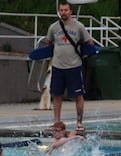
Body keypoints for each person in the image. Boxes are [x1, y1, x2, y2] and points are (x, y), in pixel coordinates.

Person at [44, 1, 94, 131]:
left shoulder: (79, 27)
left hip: (74, 67)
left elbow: (89, 43)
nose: (63, 13)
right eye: (61, 10)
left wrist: (86, 54)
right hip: (58, 67)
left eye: (66, 10)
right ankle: (57, 122)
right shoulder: (53, 27)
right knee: (56, 95)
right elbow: (48, 43)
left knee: (78, 95)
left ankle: (79, 122)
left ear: (70, 11)